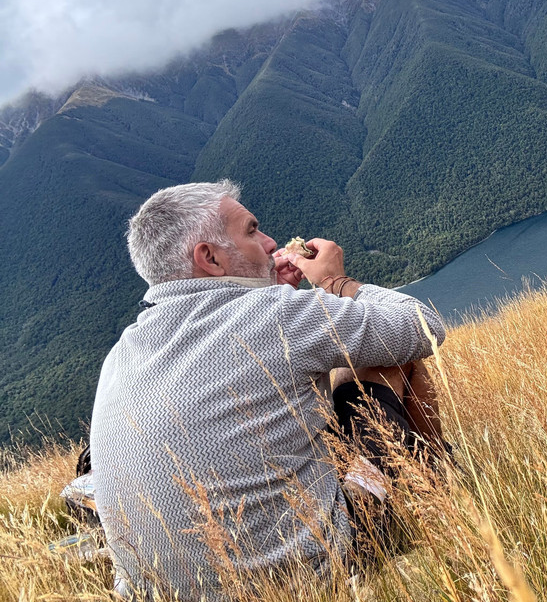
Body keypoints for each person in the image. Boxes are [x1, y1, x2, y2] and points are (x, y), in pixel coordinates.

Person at [89, 180, 446, 600]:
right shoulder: (274, 314)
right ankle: (441, 489)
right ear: (210, 257)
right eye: (251, 230)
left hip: (159, 593)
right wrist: (335, 281)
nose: (270, 241)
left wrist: (270, 288)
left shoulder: (120, 354)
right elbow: (423, 326)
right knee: (385, 360)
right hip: (305, 578)